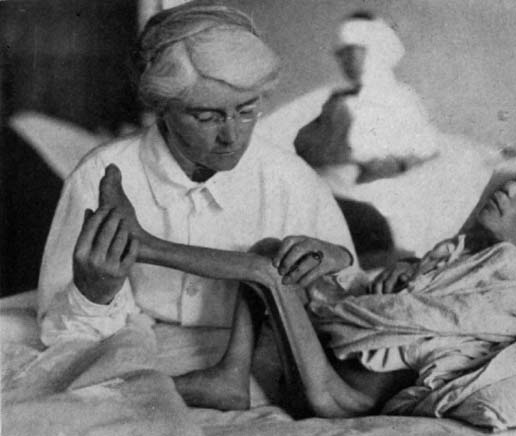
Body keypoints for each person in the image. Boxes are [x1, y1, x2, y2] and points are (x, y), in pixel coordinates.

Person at [91, 151, 516, 417]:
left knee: (264, 269)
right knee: (272, 250)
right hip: (328, 368)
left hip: (340, 396)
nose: (510, 187)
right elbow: (419, 301)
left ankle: (142, 243)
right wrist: (403, 274)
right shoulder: (475, 253)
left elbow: (427, 326)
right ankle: (230, 377)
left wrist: (389, 294)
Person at [37, 0, 362, 411]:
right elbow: (62, 336)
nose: (232, 136)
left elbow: (356, 303)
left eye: (247, 111)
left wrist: (334, 263)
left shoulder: (289, 178)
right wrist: (94, 293)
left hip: (264, 364)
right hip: (139, 350)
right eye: (207, 117)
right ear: (163, 109)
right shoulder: (101, 174)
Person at [294, 11, 440, 183]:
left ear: (375, 49)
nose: (345, 61)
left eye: (352, 51)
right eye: (341, 54)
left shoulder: (403, 98)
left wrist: (393, 165)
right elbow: (303, 145)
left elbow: (426, 149)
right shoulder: (337, 101)